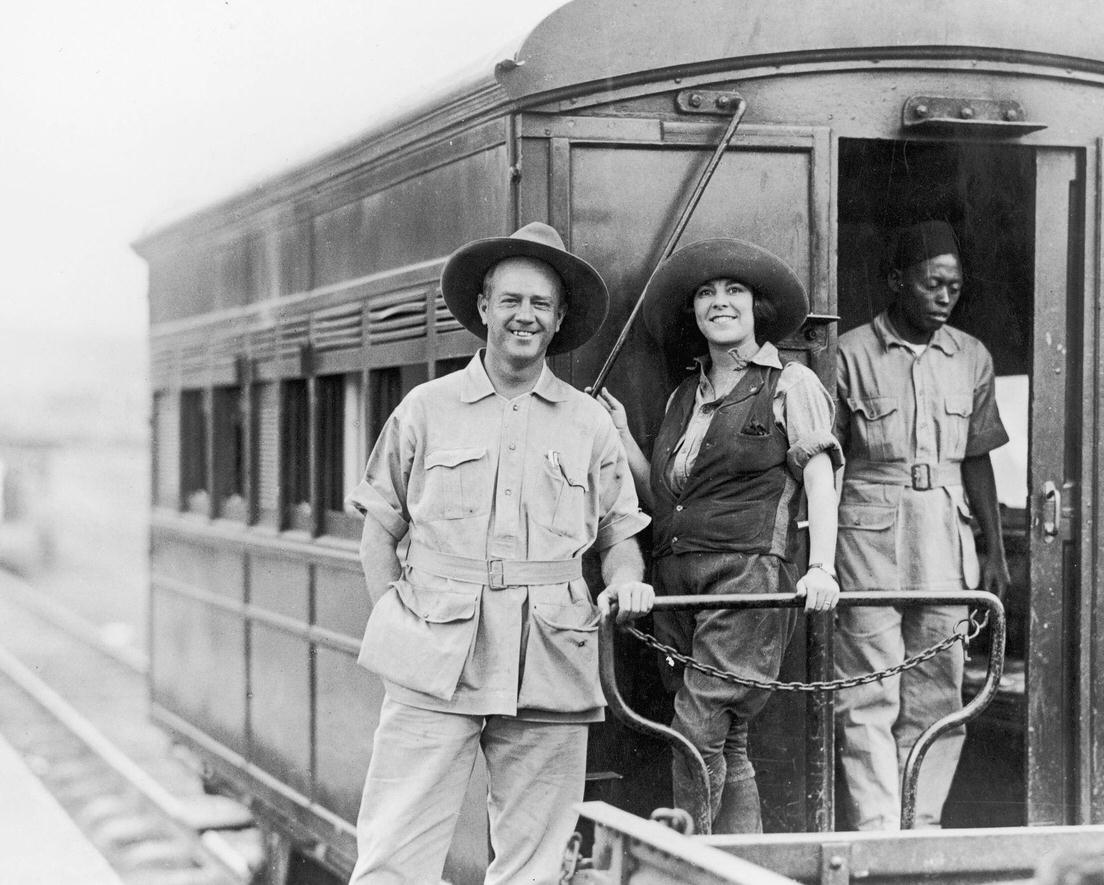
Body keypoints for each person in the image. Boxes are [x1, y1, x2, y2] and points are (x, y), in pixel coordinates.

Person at [345, 222, 654, 884]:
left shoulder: (588, 421)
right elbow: (379, 531)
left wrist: (626, 582)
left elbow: (620, 536)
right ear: (483, 307)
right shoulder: (426, 409)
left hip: (550, 660)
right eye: (511, 300)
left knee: (535, 868)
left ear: (560, 317)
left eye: (540, 304)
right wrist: (399, 623)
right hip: (435, 658)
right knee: (393, 856)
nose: (525, 316)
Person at [597, 238, 841, 835]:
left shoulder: (791, 383)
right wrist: (622, 434)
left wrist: (823, 568)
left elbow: (820, 478)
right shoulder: (687, 396)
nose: (719, 302)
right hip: (678, 581)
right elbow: (666, 502)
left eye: (734, 291)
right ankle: (742, 866)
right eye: (706, 293)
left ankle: (695, 865)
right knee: (726, 738)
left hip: (747, 578)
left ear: (758, 308)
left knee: (696, 724)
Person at [834, 219, 1011, 830]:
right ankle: (880, 828)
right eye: (932, 284)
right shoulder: (848, 353)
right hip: (865, 541)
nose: (944, 296)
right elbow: (824, 467)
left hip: (946, 537)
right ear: (895, 283)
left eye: (954, 287)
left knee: (939, 685)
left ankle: (922, 824)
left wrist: (993, 551)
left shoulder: (973, 357)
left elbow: (978, 457)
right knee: (868, 690)